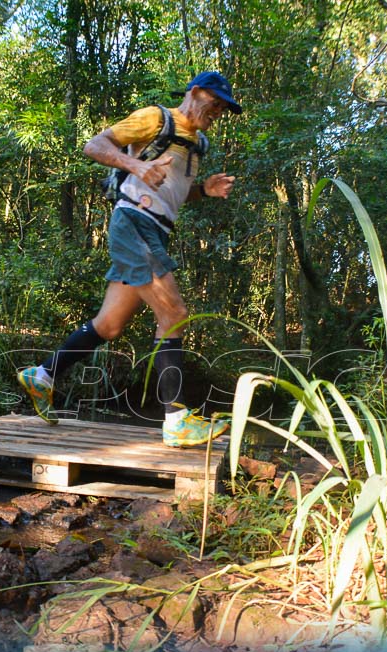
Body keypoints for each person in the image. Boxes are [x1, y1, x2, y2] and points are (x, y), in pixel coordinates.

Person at [17, 71, 242, 447]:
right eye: (214, 102)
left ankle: (43, 375)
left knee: (109, 326)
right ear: (195, 92)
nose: (217, 111)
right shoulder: (156, 118)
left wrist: (204, 190)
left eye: (223, 108)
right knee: (174, 315)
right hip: (134, 222)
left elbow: (175, 191)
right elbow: (95, 145)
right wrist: (135, 165)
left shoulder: (197, 143)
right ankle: (176, 420)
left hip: (153, 229)